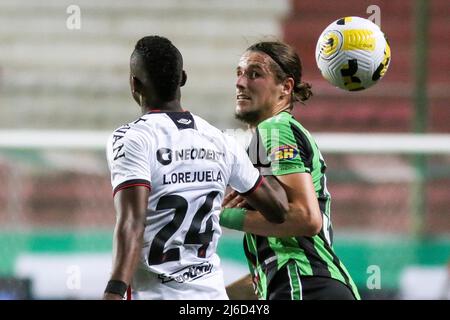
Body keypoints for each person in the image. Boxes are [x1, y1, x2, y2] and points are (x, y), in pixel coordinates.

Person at [103, 36, 289, 300]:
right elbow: (278, 209)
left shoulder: (132, 138)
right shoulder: (222, 141)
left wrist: (114, 290)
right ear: (183, 79)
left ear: (135, 84)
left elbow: (132, 221)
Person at [220, 41, 360, 300]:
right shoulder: (274, 135)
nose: (240, 83)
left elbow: (306, 218)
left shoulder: (275, 128)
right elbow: (272, 276)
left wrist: (222, 217)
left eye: (254, 74)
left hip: (308, 289)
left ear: (286, 87)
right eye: (239, 73)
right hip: (317, 287)